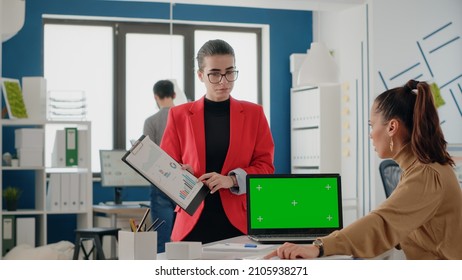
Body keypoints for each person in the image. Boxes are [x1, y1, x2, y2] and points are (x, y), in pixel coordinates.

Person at [265, 80, 462, 260]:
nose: (370, 134)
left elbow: (384, 222)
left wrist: (320, 246)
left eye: (372, 125)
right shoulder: (420, 168)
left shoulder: (426, 175)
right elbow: (398, 226)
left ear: (392, 127)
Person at [160, 39, 275, 244]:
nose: (224, 81)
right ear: (201, 75)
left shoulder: (254, 114)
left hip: (238, 223)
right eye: (215, 74)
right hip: (191, 222)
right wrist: (179, 174)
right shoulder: (179, 115)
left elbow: (265, 168)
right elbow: (164, 169)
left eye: (230, 72)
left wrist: (230, 180)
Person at [143, 79, 176, 253]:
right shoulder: (185, 117)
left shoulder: (151, 121)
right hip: (184, 185)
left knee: (162, 241)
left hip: (160, 183)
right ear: (174, 95)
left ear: (156, 97)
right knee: (184, 239)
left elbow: (147, 156)